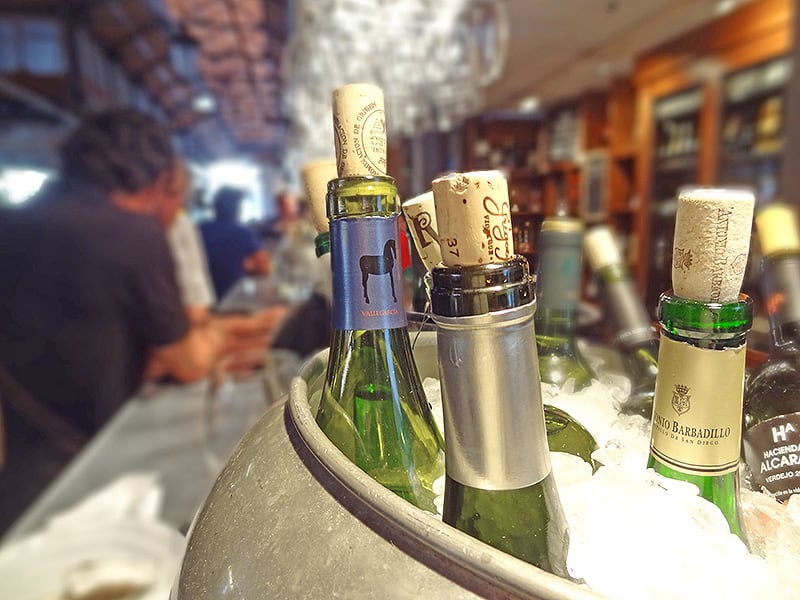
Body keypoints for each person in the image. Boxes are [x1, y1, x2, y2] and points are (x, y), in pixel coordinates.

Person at [0, 109, 227, 532]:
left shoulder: (12, 222)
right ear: (159, 181)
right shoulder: (133, 233)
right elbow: (190, 363)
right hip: (100, 473)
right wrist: (218, 333)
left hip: (22, 475)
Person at [200, 187, 270, 299]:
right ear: (238, 208)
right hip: (233, 298)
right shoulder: (243, 233)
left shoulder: (201, 229)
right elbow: (264, 269)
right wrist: (247, 266)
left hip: (203, 298)